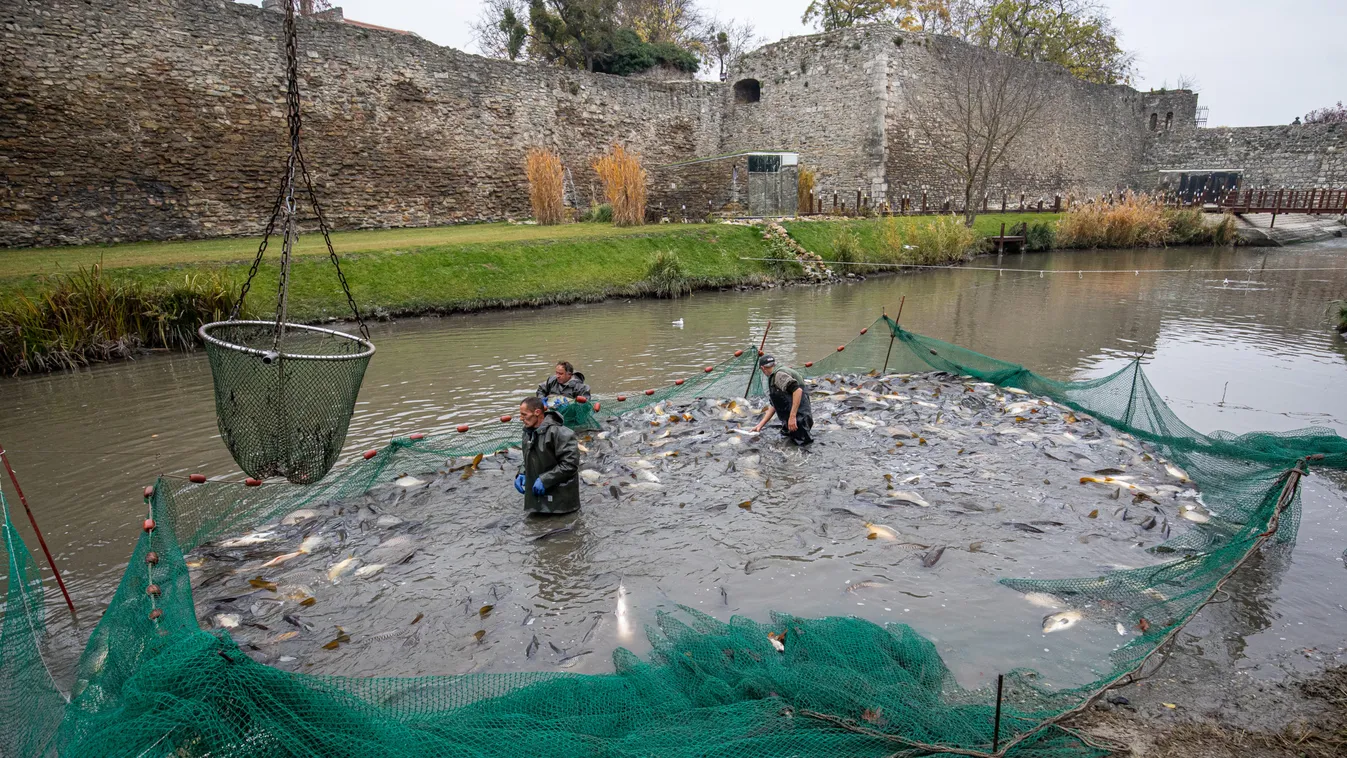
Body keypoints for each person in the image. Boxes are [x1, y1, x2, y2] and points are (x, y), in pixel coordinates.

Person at [513, 396, 580, 514]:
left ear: (537, 412)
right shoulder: (527, 432)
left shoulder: (561, 433)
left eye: (524, 414)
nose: (520, 418)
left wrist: (545, 479)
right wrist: (522, 472)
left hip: (561, 504)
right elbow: (529, 456)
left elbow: (570, 465)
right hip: (536, 501)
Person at [750, 355, 814, 446]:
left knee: (803, 447)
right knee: (785, 442)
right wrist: (760, 425)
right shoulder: (774, 375)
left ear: (763, 368)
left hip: (799, 419)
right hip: (789, 419)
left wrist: (792, 417)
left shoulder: (779, 375)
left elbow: (797, 391)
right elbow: (774, 405)